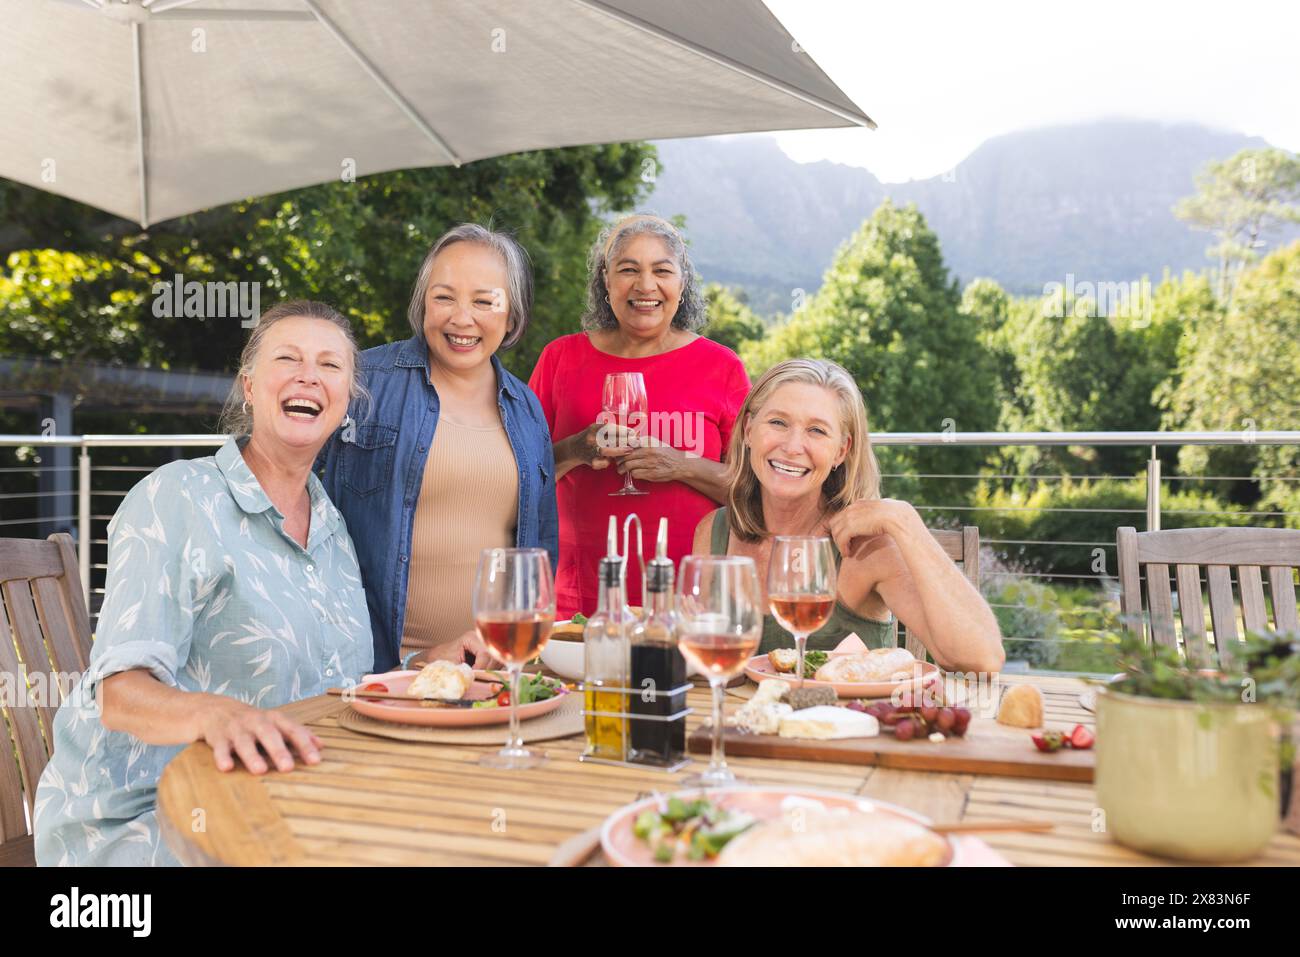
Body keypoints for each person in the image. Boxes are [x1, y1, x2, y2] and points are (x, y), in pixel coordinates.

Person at [34, 300, 375, 866]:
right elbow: (120, 694)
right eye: (287, 358)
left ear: (346, 400)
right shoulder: (174, 498)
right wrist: (215, 714)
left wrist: (429, 666)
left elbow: (339, 687)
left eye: (330, 365)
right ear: (249, 385)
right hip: (145, 818)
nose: (308, 375)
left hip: (269, 803)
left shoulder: (333, 525)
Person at [317, 224, 558, 673]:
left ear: (512, 317)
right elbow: (293, 505)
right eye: (444, 297)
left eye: (484, 301)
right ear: (422, 303)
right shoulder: (362, 382)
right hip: (374, 670)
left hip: (489, 671)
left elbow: (538, 554)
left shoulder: (527, 409)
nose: (461, 319)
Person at [693, 358, 1004, 672]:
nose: (793, 446)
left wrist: (905, 521)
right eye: (778, 423)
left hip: (851, 720)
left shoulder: (868, 548)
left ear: (841, 451)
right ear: (748, 430)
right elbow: (704, 665)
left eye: (816, 430)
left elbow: (981, 658)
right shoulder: (715, 533)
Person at [528, 214, 750, 616]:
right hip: (579, 595)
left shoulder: (722, 366)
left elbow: (752, 492)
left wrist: (679, 464)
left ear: (682, 284)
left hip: (689, 596)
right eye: (628, 269)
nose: (645, 285)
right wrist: (577, 449)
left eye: (661, 270)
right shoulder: (561, 358)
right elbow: (523, 475)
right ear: (605, 281)